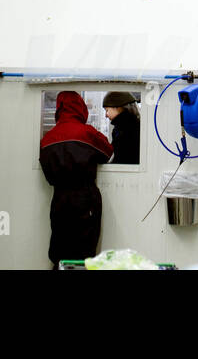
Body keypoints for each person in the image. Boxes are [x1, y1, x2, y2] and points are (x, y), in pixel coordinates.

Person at [39, 91, 113, 267]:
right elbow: (107, 153)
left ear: (59, 109)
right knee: (84, 253)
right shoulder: (88, 134)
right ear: (81, 108)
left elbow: (48, 174)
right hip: (85, 200)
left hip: (59, 200)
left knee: (59, 249)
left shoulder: (47, 139)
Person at [103, 91, 140, 164]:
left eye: (107, 110)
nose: (106, 115)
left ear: (117, 107)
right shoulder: (131, 124)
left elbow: (122, 159)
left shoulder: (124, 129)